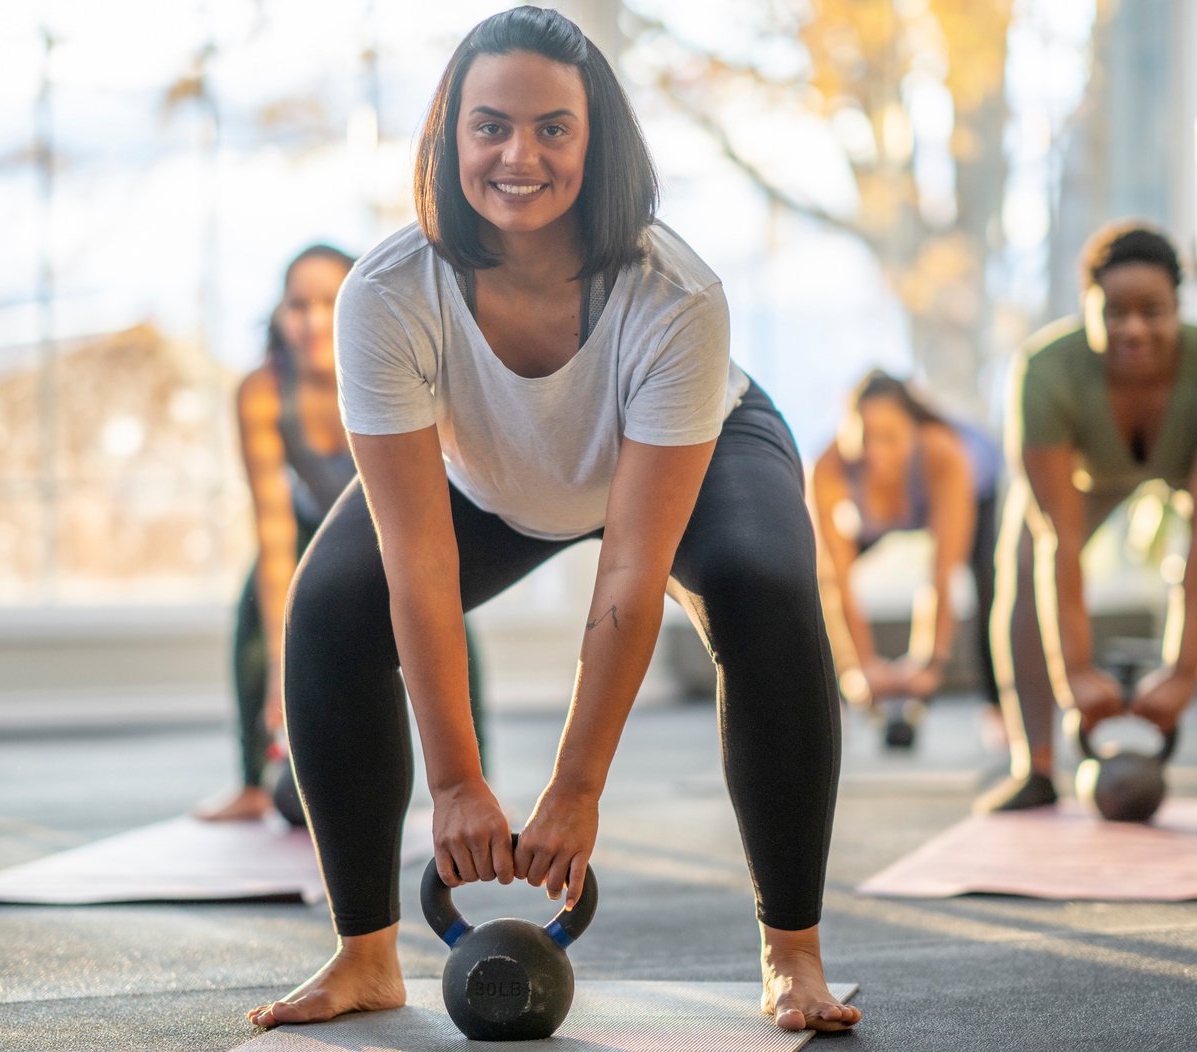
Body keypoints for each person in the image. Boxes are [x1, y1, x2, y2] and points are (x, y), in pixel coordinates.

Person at [246, 7, 859, 1035]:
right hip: (491, 475)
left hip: (691, 460)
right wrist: (456, 783)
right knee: (333, 606)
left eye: (552, 129)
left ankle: (792, 950)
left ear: (596, 140)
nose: (518, 155)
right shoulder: (386, 295)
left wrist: (575, 790)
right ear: (451, 139)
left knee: (766, 588)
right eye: (489, 126)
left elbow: (630, 573)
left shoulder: (675, 296)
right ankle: (364, 954)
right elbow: (417, 560)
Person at [977, 222, 1197, 816]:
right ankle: (1036, 767)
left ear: (1178, 310)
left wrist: (1183, 672)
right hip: (1090, 471)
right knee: (1025, 557)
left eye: (1152, 311)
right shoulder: (1044, 372)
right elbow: (1064, 542)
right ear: (1088, 309)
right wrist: (1074, 670)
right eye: (1114, 312)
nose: (1133, 328)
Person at [195, 245, 488, 823]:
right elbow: (276, 533)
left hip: (397, 518)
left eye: (328, 302)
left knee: (445, 603)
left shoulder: (392, 368)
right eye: (297, 305)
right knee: (255, 609)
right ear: (278, 316)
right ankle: (254, 780)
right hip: (309, 529)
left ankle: (479, 779)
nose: (310, 321)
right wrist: (283, 666)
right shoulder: (261, 391)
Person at [811, 370, 1002, 748]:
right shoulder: (828, 467)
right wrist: (860, 666)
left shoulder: (943, 452)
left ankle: (998, 707)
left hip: (970, 491)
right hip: (886, 511)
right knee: (806, 576)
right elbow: (837, 577)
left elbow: (940, 574)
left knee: (988, 582)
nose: (877, 454)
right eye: (865, 439)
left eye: (890, 438)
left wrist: (929, 663)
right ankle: (826, 706)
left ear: (912, 432)